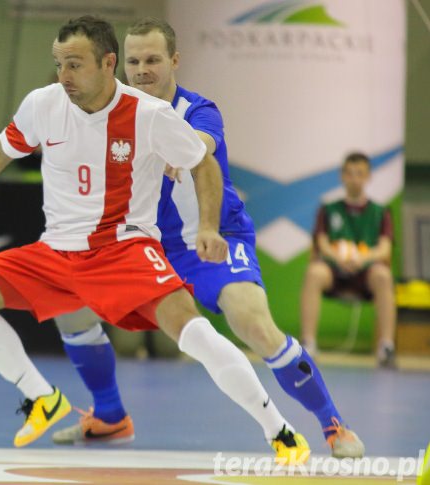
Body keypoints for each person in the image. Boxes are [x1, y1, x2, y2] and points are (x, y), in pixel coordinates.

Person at [0, 16, 309, 463]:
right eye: (59, 63)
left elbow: (204, 164)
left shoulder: (148, 115)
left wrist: (208, 227)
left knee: (192, 332)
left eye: (75, 64)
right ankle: (42, 397)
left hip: (123, 251)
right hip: (55, 253)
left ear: (108, 63)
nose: (64, 76)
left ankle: (281, 431)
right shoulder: (43, 104)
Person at [50, 17, 364, 459]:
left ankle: (333, 423)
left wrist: (180, 158)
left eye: (153, 59)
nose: (143, 70)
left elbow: (201, 147)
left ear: (174, 61)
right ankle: (109, 417)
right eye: (135, 61)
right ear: (119, 64)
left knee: (251, 320)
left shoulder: (198, 111)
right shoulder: (104, 115)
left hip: (210, 238)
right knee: (68, 302)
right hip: (142, 247)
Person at [300, 152, 395, 367]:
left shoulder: (381, 213)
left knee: (383, 275)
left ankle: (386, 347)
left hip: (366, 274)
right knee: (314, 272)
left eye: (360, 173)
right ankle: (308, 344)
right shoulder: (328, 210)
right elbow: (322, 244)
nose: (354, 179)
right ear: (342, 176)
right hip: (334, 272)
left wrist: (363, 258)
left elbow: (384, 250)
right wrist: (338, 257)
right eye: (350, 173)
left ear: (368, 176)